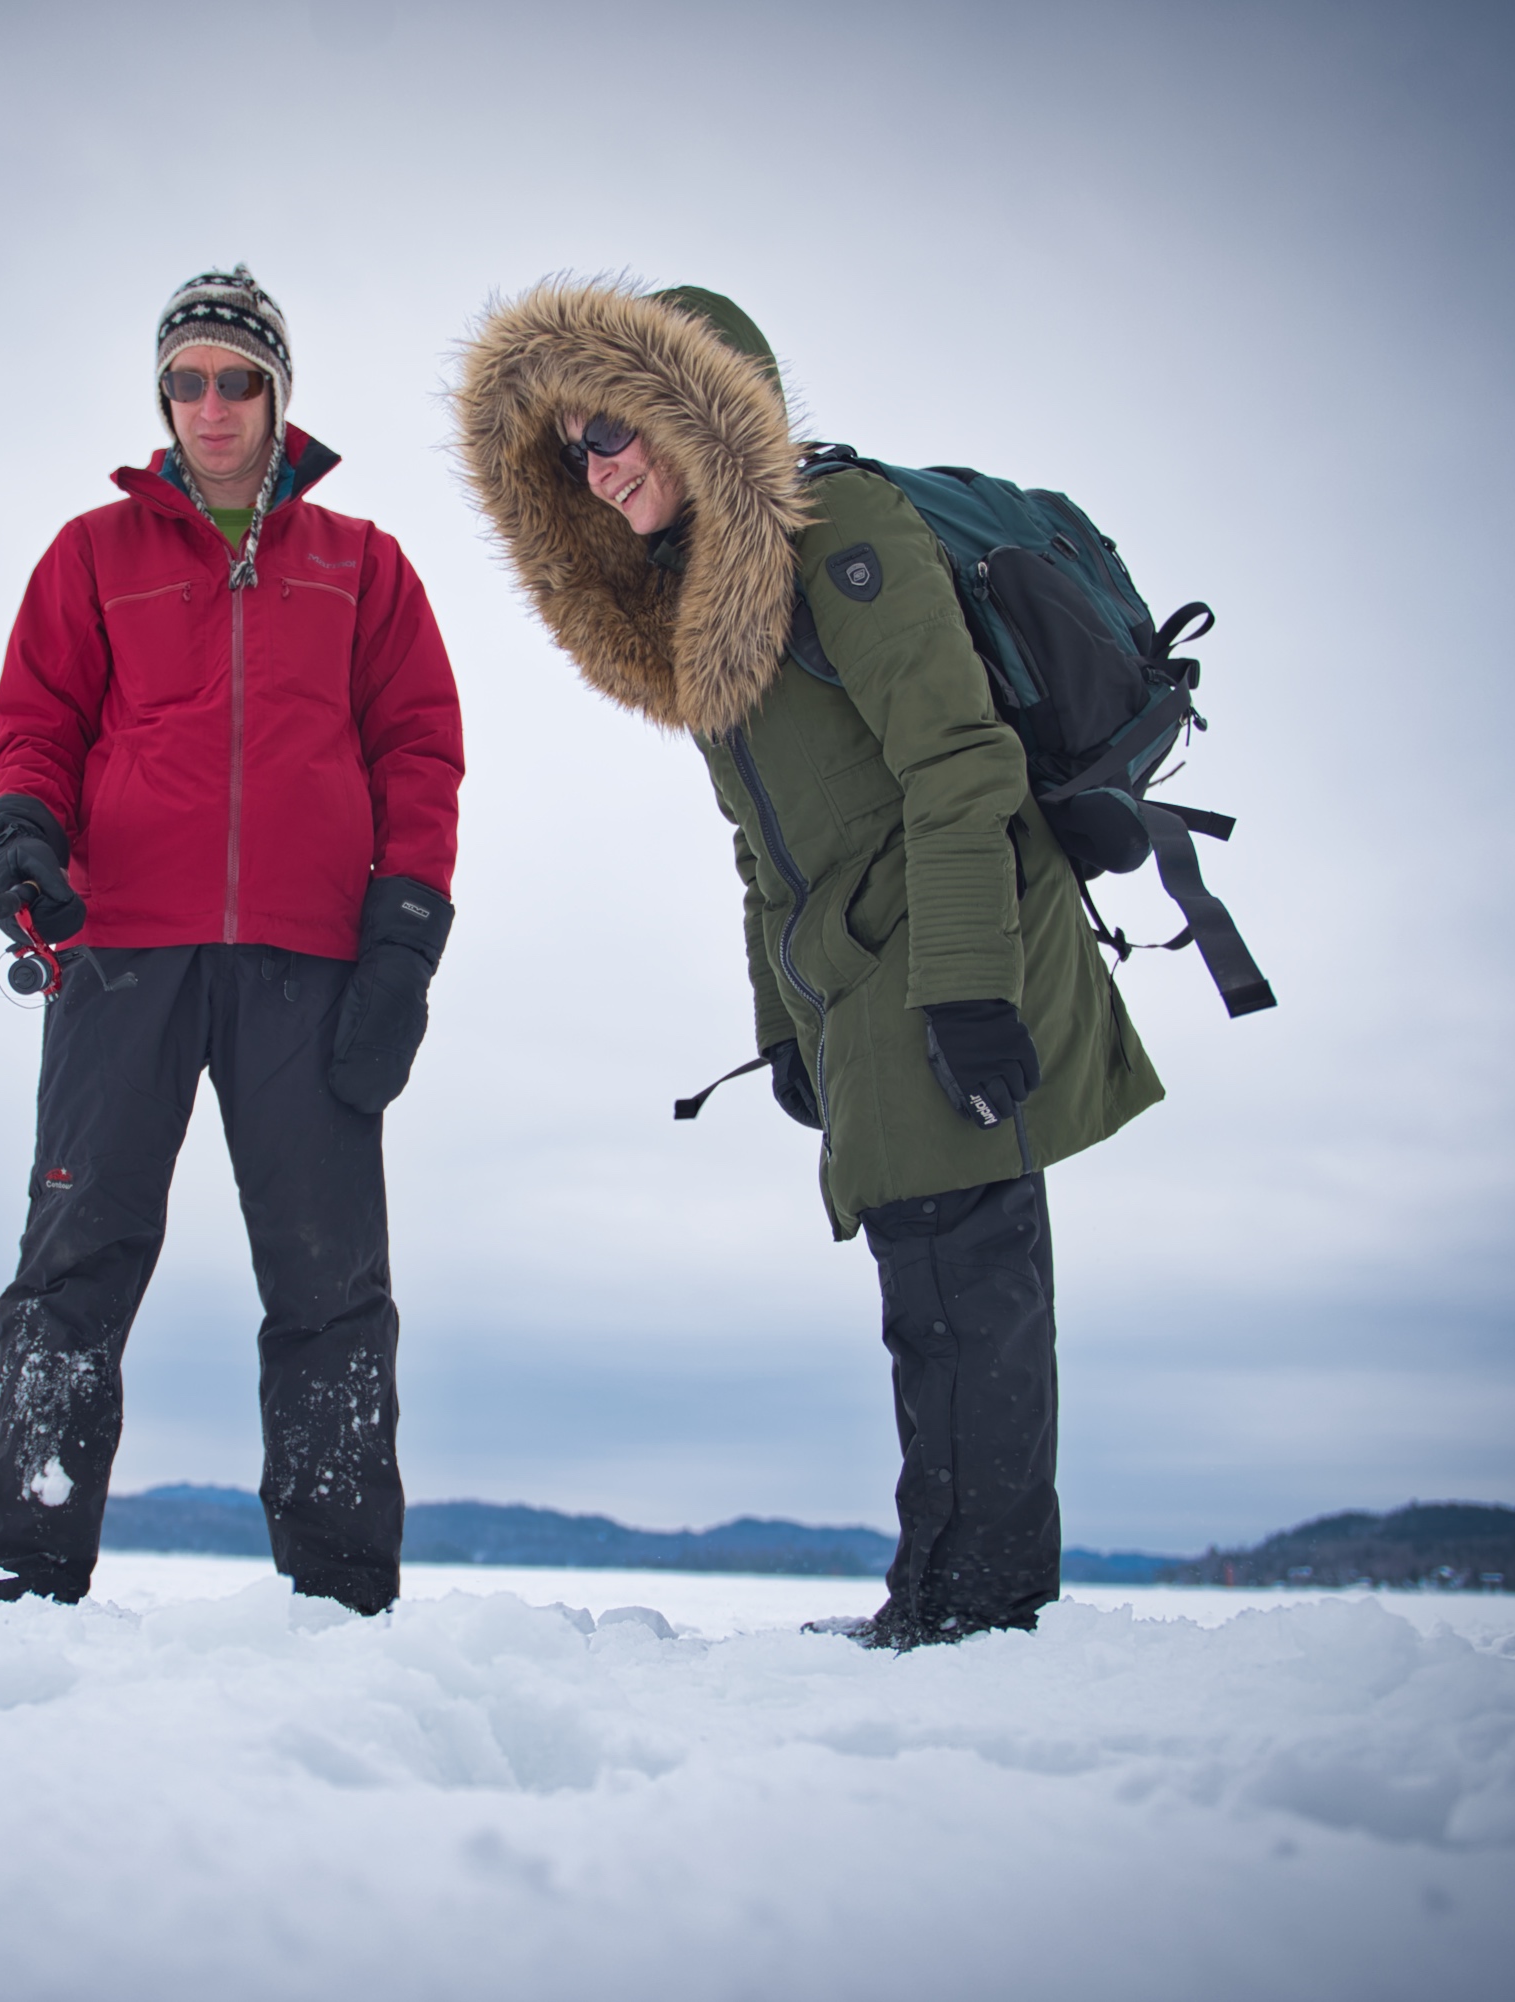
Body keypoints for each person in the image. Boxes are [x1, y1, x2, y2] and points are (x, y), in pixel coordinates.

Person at [451, 282, 1162, 1648]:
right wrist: (784, 1024)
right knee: (925, 1289)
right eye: (579, 446)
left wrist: (968, 983)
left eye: (621, 424)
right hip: (863, 973)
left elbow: (960, 764)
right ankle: (943, 1589)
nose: (602, 466)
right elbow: (759, 849)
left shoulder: (846, 533)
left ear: (697, 404)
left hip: (956, 935)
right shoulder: (702, 603)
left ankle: (981, 1604)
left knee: (974, 1278)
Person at [0, 265, 464, 1615]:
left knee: (329, 1277)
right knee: (74, 1259)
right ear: (163, 399)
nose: (213, 403)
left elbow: (421, 752)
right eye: (187, 379)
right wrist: (21, 832)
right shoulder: (90, 555)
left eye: (238, 379)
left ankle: (343, 1583)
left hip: (310, 962)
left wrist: (405, 935)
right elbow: (40, 727)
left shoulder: (366, 566)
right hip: (120, 947)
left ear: (278, 395)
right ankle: (28, 1554)